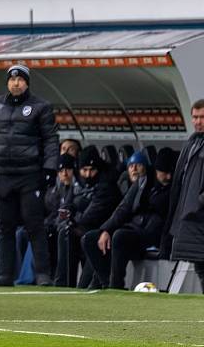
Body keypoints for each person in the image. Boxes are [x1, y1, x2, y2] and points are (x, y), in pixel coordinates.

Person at [0, 64, 59, 287]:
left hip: (29, 174)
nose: (16, 83)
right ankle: (5, 274)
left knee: (34, 224)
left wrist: (50, 168)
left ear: (27, 82)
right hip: (3, 173)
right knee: (5, 226)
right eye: (12, 79)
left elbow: (50, 139)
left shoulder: (41, 107)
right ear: (7, 82)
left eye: (20, 79)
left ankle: (43, 274)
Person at [81, 153, 170, 289]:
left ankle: (115, 285)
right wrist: (105, 230)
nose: (134, 169)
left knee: (119, 236)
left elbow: (159, 215)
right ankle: (105, 282)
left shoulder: (165, 187)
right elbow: (123, 208)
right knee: (90, 238)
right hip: (133, 229)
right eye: (131, 166)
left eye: (138, 165)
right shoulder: (140, 183)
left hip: (151, 234)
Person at [54, 146, 121, 287]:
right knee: (65, 232)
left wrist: (73, 216)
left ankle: (83, 284)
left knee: (83, 237)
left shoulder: (106, 185)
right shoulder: (77, 183)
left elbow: (90, 216)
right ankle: (63, 284)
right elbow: (64, 209)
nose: (88, 174)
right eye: (84, 170)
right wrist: (69, 217)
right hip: (81, 228)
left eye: (92, 170)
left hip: (100, 230)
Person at [161, 99, 204, 290]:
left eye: (202, 117)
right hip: (189, 217)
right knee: (200, 266)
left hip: (198, 214)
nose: (198, 121)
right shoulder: (192, 143)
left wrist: (198, 203)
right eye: (195, 117)